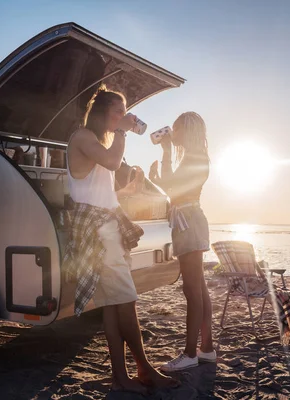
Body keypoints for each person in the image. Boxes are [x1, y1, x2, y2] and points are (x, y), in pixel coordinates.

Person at [64, 87, 177, 394]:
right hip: (99, 234)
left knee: (113, 306)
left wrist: (128, 191)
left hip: (105, 229)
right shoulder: (83, 137)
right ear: (102, 112)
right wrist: (125, 132)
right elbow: (113, 163)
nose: (124, 116)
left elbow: (101, 194)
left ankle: (121, 376)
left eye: (125, 111)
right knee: (126, 302)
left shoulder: (97, 142)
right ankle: (144, 369)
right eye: (118, 110)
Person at [149, 112, 215, 372]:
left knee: (192, 291)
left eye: (175, 129)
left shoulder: (194, 158)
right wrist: (159, 178)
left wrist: (165, 153)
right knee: (200, 288)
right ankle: (207, 349)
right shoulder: (196, 156)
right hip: (189, 219)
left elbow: (173, 189)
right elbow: (173, 188)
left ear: (186, 130)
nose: (171, 134)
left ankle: (189, 353)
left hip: (188, 222)